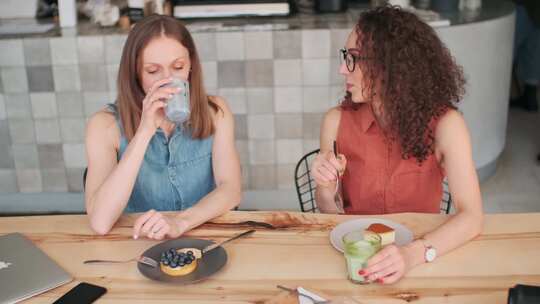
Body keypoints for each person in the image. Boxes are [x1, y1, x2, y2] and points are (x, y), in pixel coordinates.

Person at [310, 6, 483, 284]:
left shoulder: (447, 125)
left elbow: (472, 217)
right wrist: (326, 190)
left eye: (353, 59)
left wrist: (412, 255)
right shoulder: (335, 121)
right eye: (345, 58)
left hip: (422, 257)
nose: (342, 69)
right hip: (358, 259)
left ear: (391, 67)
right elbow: (331, 216)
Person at [84, 15, 242, 239]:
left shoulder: (216, 112)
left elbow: (231, 190)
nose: (168, 79)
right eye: (152, 71)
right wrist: (145, 130)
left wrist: (180, 222)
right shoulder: (103, 126)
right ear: (135, 74)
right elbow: (100, 222)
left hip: (204, 236)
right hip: (138, 242)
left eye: (178, 67)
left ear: (190, 66)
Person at [510, 0, 540, 112]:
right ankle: (530, 97)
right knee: (533, 51)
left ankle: (494, 98)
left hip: (522, 5)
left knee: (507, 49)